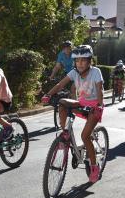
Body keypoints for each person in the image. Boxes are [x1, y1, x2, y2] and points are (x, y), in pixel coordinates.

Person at [42, 45, 104, 183]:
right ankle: (64, 133)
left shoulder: (96, 72)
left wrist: (99, 106)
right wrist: (48, 94)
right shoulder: (74, 72)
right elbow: (60, 84)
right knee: (63, 102)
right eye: (77, 61)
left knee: (85, 136)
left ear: (89, 61)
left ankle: (94, 167)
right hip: (81, 104)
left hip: (95, 107)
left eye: (83, 60)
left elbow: (99, 90)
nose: (80, 63)